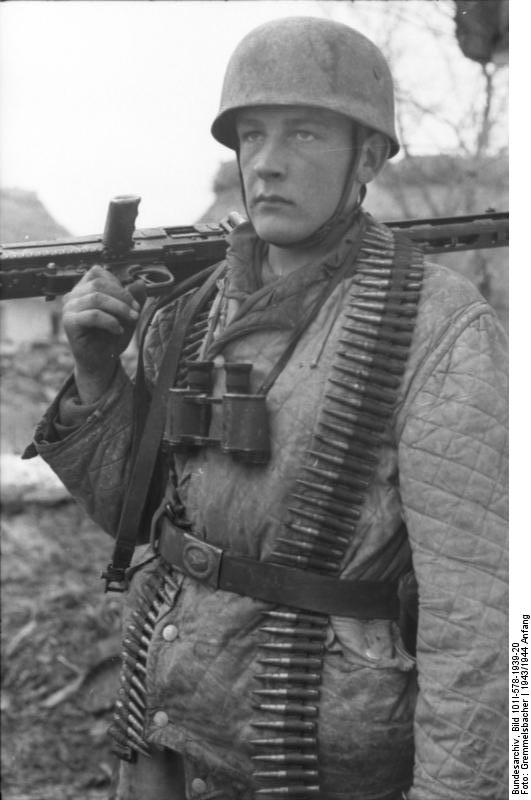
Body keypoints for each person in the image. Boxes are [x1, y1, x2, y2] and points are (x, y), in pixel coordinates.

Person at [27, 17, 508, 800]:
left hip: (326, 762)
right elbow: (140, 518)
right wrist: (95, 377)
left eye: (306, 135)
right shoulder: (190, 312)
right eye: (251, 136)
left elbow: (485, 623)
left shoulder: (438, 332)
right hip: (167, 730)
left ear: (368, 158)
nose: (269, 163)